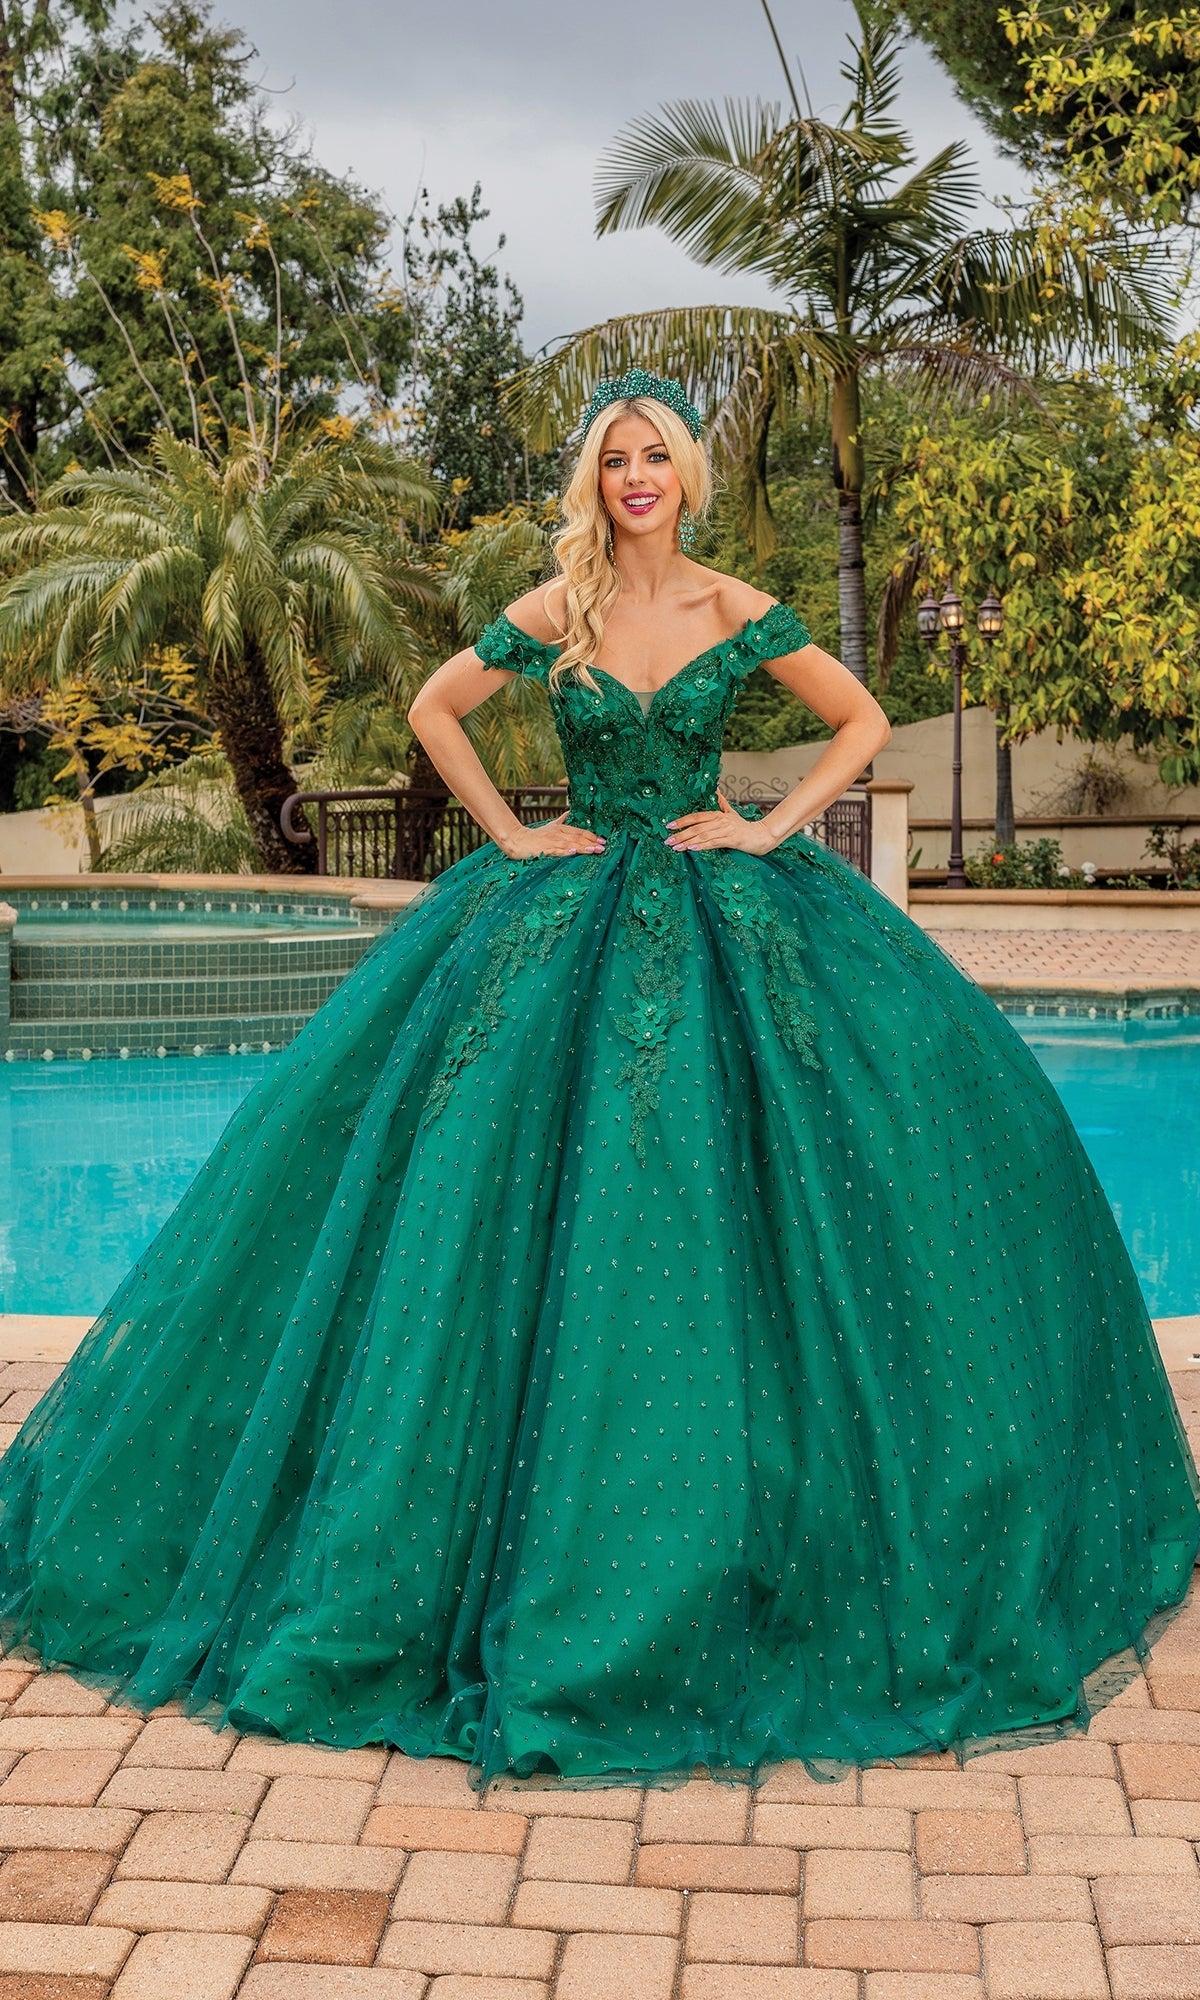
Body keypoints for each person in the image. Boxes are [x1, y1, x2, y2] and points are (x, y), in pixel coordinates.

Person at [0, 370, 1195, 1791]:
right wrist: (512, 833)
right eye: (617, 459)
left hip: (723, 905)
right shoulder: (557, 605)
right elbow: (439, 712)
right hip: (560, 918)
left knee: (772, 1200)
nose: (638, 477)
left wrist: (766, 831)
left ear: (687, 474)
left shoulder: (738, 606)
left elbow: (863, 723)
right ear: (599, 479)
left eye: (659, 457)